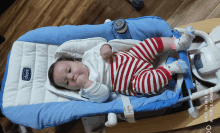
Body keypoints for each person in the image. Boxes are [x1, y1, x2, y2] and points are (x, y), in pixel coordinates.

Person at [48, 26, 195, 103]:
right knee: (147, 85)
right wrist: (86, 83)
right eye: (67, 83)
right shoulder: (86, 90)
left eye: (69, 70)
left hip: (133, 56)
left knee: (149, 44)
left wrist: (106, 48)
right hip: (133, 80)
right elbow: (103, 95)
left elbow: (101, 44)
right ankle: (170, 69)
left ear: (75, 61)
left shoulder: (87, 56)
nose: (72, 77)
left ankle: (178, 44)